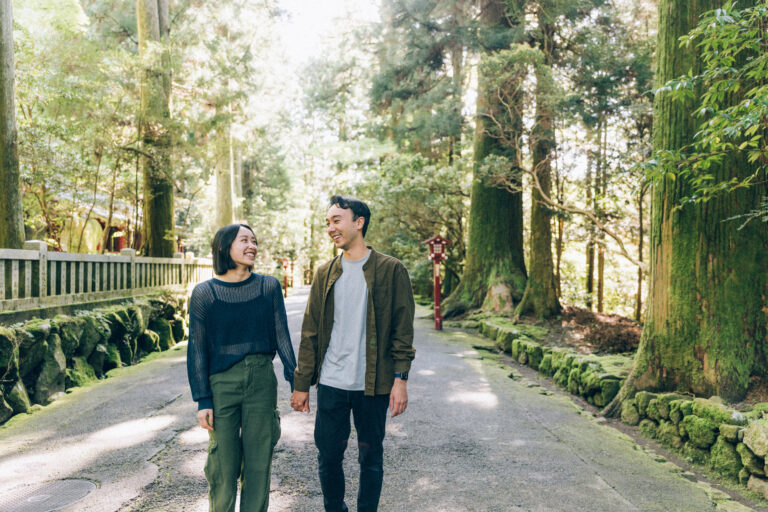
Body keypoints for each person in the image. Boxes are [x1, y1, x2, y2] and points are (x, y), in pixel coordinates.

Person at [291, 195, 416, 512]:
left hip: (372, 385)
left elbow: (402, 331)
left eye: (337, 220)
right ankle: (335, 508)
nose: (331, 228)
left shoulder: (391, 270)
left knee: (370, 456)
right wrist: (302, 383)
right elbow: (311, 332)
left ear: (359, 222)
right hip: (332, 382)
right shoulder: (325, 273)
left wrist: (400, 379)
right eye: (328, 222)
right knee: (328, 455)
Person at [187, 223, 296, 512]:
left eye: (254, 241)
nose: (252, 246)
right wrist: (203, 399)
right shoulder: (204, 293)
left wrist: (295, 380)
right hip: (221, 383)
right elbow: (197, 349)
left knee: (259, 463)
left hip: (261, 379)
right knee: (222, 465)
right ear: (224, 247)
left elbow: (281, 334)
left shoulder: (267, 286)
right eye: (244, 240)